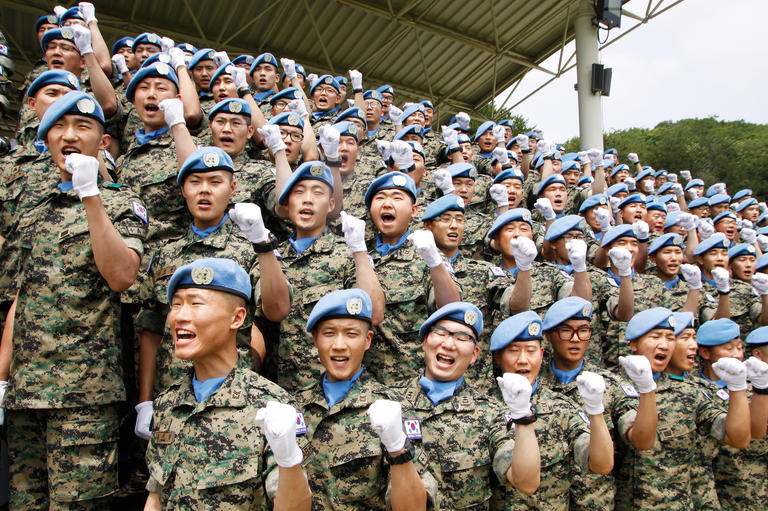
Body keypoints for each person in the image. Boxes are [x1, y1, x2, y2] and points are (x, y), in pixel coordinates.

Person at [3, 91, 148, 509]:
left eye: (82, 127)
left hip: (83, 395)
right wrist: (1, 379)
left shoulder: (123, 203)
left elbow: (121, 275)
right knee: (24, 503)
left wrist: (91, 196)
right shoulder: (33, 212)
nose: (69, 136)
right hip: (26, 392)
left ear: (103, 142)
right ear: (45, 140)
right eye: (59, 128)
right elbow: (21, 297)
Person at [134, 146, 291, 438]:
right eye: (195, 182)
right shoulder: (165, 253)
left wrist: (262, 244)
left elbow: (277, 310)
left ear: (232, 188)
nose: (204, 191)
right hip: (172, 394)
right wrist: (145, 400)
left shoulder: (250, 249)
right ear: (183, 189)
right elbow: (151, 328)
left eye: (215, 182)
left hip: (232, 396)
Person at [143, 258, 310, 510]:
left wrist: (288, 457)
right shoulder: (168, 405)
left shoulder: (272, 406)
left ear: (237, 318)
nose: (180, 316)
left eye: (196, 304)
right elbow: (155, 497)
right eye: (176, 305)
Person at [394, 302, 542, 508]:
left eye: (462, 338)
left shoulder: (490, 413)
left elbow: (526, 481)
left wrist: (523, 416)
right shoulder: (390, 403)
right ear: (425, 342)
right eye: (440, 333)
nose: (449, 344)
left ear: (474, 355)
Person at [296, 288, 426, 510]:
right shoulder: (295, 407)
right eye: (329, 333)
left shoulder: (394, 407)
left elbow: (414, 506)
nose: (339, 345)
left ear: (367, 341)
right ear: (315, 339)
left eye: (351, 334)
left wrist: (397, 450)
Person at [614, 309, 752, 510]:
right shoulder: (611, 387)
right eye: (656, 337)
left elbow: (738, 438)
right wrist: (646, 389)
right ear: (633, 344)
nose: (664, 344)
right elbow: (641, 441)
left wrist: (738, 387)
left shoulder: (689, 391)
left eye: (670, 338)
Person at [270, 158, 385, 393]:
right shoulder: (272, 259)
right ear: (287, 203)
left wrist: (359, 251)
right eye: (298, 192)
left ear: (331, 204)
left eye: (318, 192)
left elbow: (375, 313)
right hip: (284, 390)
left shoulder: (346, 254)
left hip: (336, 386)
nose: (308, 200)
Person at [490, 310, 615, 510]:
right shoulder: (486, 410)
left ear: (541, 355)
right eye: (513, 351)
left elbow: (601, 465)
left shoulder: (561, 407)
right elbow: (524, 482)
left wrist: (595, 409)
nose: (523, 360)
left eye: (531, 351)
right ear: (498, 356)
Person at [539, 297, 653, 511]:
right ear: (548, 335)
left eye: (583, 330)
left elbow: (640, 438)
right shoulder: (531, 386)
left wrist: (647, 389)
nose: (575, 339)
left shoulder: (607, 385)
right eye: (566, 331)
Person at [364, 171, 461, 384]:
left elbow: (452, 309)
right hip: (361, 380)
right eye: (380, 198)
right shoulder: (357, 252)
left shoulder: (427, 254)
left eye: (397, 198)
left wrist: (434, 262)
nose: (387, 204)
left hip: (409, 381)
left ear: (414, 211)